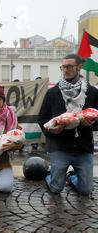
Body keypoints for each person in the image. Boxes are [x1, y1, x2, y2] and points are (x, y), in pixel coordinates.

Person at [38, 54, 98, 196]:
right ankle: (50, 176)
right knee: (56, 188)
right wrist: (53, 130)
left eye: (69, 66)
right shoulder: (52, 93)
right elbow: (42, 119)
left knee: (85, 190)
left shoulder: (92, 92)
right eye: (63, 67)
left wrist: (91, 123)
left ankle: (71, 178)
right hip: (59, 146)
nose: (65, 70)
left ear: (79, 67)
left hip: (83, 147)